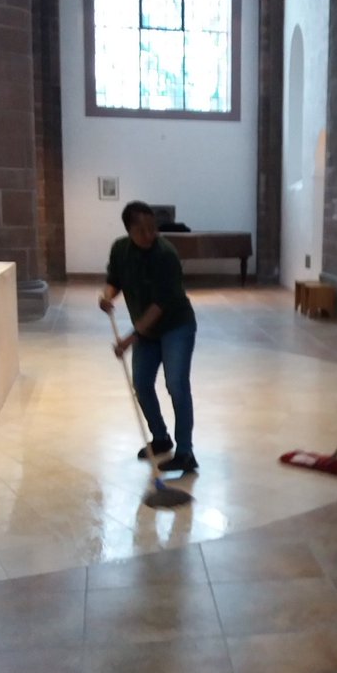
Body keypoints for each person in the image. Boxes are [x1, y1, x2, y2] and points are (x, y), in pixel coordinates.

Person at [99, 200, 198, 473]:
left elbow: (159, 306)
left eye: (152, 228)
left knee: (176, 385)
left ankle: (186, 452)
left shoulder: (165, 254)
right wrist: (106, 297)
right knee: (141, 384)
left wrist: (129, 341)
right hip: (147, 331)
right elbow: (114, 279)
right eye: (141, 230)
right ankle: (161, 438)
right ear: (128, 230)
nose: (149, 234)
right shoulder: (121, 249)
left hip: (176, 325)